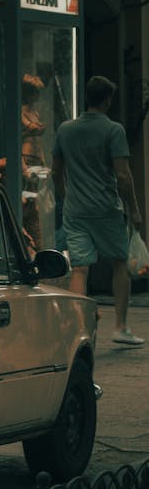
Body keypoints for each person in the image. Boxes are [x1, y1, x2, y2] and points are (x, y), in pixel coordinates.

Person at [52, 75, 144, 346]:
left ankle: (79, 329)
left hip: (76, 210)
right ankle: (121, 327)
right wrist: (135, 210)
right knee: (119, 263)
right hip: (106, 208)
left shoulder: (65, 129)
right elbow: (123, 175)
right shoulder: (113, 130)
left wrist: (65, 198)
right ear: (107, 100)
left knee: (80, 269)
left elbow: (57, 170)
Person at [21, 74, 47, 250]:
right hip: (25, 159)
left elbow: (39, 142)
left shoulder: (34, 113)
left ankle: (36, 248)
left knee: (35, 205)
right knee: (25, 203)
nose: (38, 96)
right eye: (35, 92)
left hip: (36, 159)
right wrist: (22, 166)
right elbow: (16, 139)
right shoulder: (20, 111)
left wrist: (44, 163)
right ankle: (26, 245)